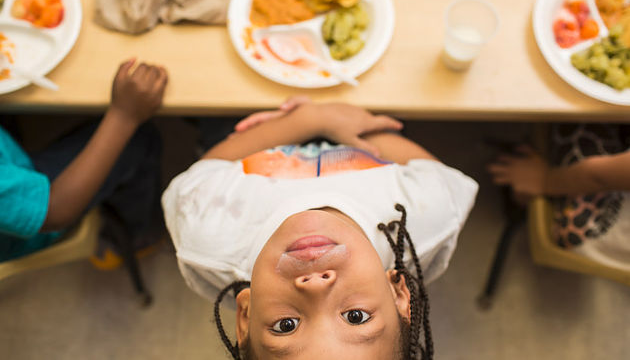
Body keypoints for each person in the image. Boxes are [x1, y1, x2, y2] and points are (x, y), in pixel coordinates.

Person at [163, 98, 478, 359]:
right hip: (367, 110)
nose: (315, 285)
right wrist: (343, 113)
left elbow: (206, 171)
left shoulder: (209, 235)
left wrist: (306, 120)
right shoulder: (426, 218)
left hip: (256, 121)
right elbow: (436, 174)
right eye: (355, 317)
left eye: (286, 325)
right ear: (398, 294)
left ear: (245, 316)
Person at [0, 59, 167, 264]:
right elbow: (54, 211)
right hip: (37, 217)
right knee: (139, 139)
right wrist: (124, 116)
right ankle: (136, 238)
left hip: (10, 166)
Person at [488, 123, 630, 273]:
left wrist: (545, 180)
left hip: (609, 223)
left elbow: (598, 177)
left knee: (579, 121)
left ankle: (523, 198)